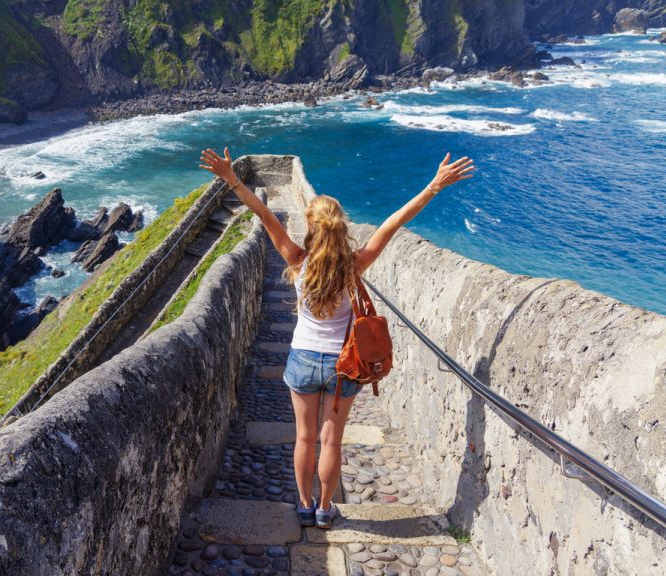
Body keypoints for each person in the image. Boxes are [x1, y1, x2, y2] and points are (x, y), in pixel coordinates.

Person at [199, 147, 474, 528]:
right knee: (331, 441)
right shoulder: (354, 265)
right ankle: (326, 508)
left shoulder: (297, 260)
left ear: (311, 226)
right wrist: (433, 186)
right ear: (340, 226)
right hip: (343, 366)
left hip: (303, 360)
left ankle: (304, 505)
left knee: (304, 438)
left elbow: (263, 214)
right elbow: (392, 224)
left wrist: (232, 179)